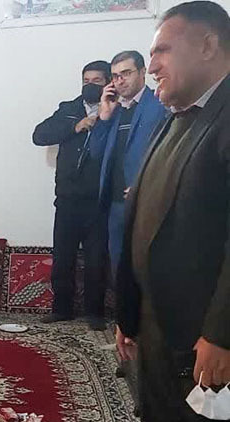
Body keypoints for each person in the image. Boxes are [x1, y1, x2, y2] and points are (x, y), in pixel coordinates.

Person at [107, 3, 230, 422]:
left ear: (208, 46)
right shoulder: (173, 118)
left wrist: (223, 332)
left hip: (207, 332)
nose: (151, 64)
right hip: (157, 324)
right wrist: (128, 315)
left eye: (161, 50)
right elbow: (141, 220)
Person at [32, 60, 111, 330]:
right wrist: (75, 126)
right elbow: (39, 135)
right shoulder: (68, 109)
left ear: (108, 82)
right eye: (86, 81)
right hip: (67, 198)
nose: (90, 85)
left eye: (97, 81)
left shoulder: (116, 110)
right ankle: (61, 309)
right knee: (63, 257)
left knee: (96, 259)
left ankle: (95, 313)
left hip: (98, 200)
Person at [91, 50, 170, 282]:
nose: (120, 81)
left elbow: (168, 154)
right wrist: (104, 118)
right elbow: (96, 153)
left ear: (143, 72)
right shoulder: (114, 110)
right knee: (119, 271)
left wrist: (146, 184)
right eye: (115, 76)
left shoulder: (160, 104)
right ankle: (123, 307)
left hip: (147, 203)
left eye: (126, 73)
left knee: (147, 270)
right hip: (115, 204)